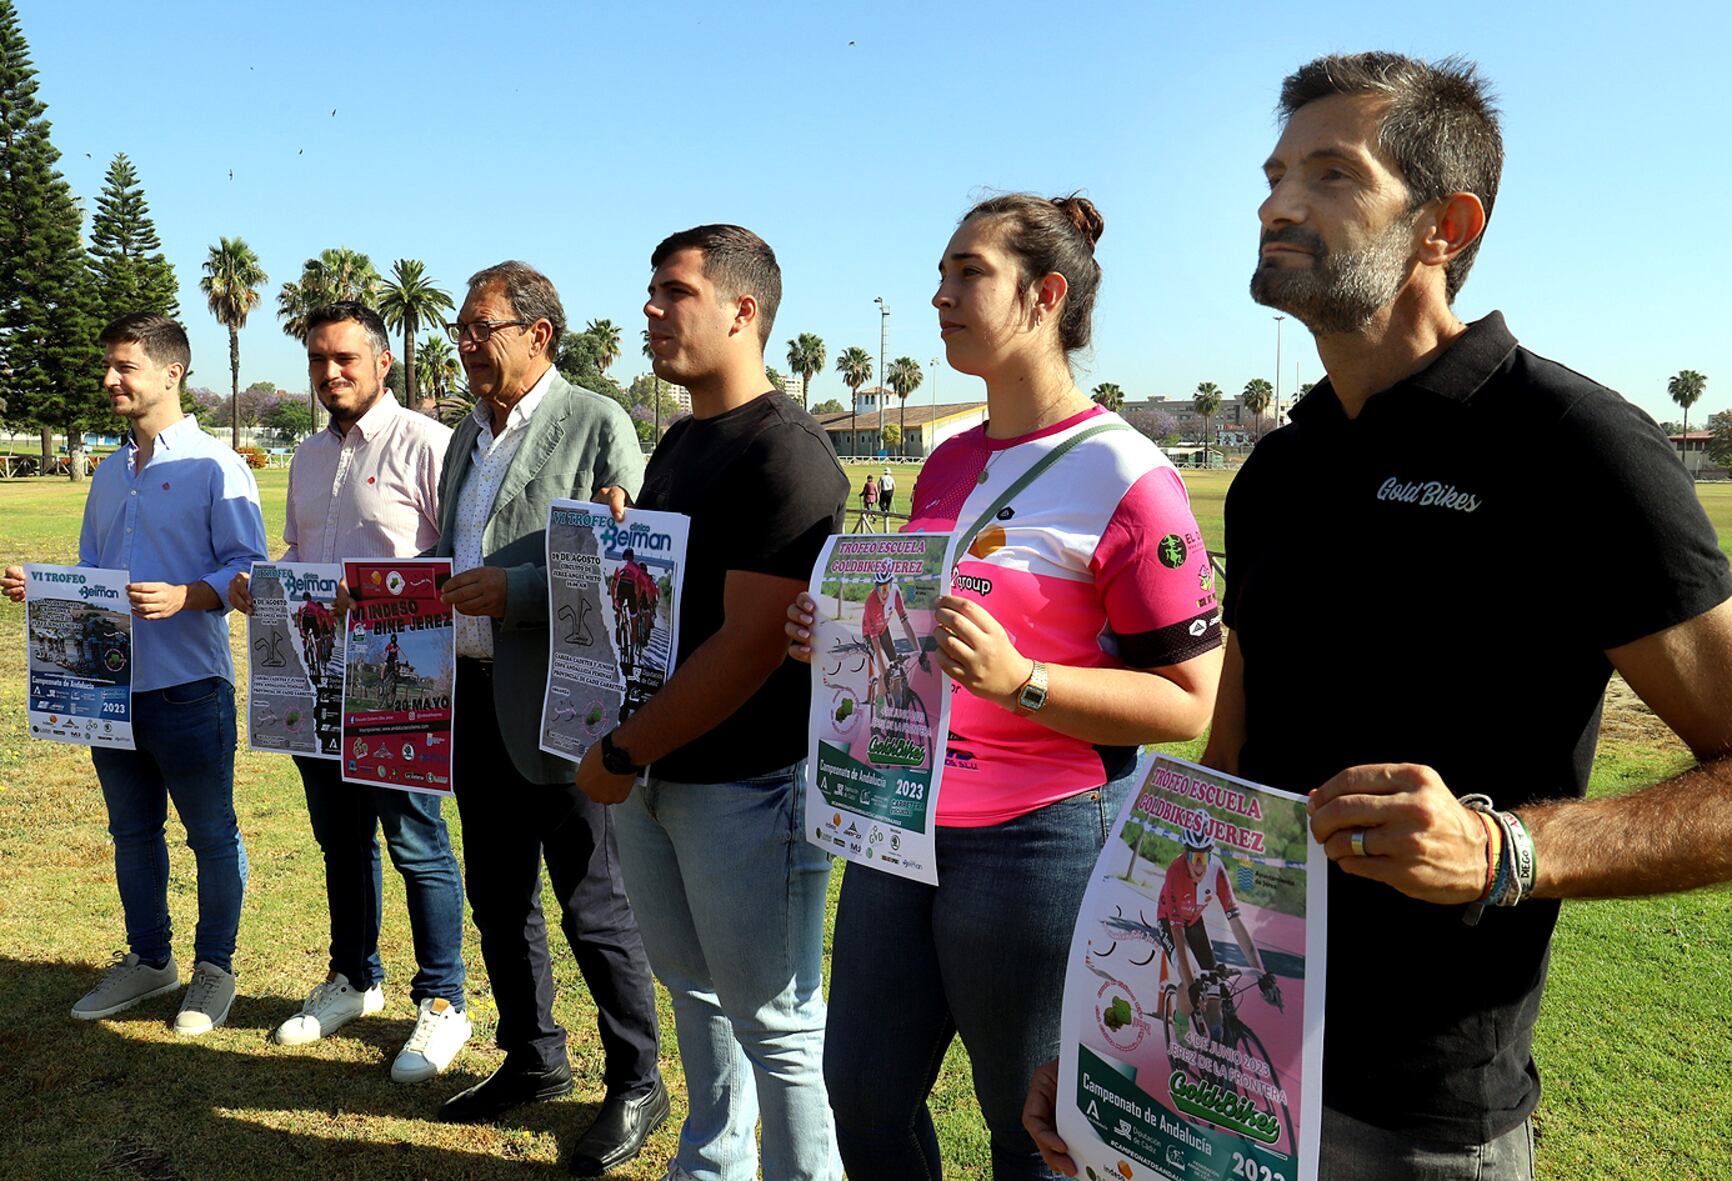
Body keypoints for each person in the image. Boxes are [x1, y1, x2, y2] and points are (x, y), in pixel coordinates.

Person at [1025, 53, 1732, 1181]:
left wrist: (1506, 847)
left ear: (1444, 223)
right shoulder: (1280, 472)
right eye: (1271, 174)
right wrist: (1123, 1027)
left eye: (1329, 173)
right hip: (1225, 1060)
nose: (1275, 202)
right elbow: (1232, 764)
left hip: (1416, 1118)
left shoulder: (1572, 446)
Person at [786, 194, 1224, 1180]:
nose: (937, 294)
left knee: (1030, 1128)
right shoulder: (945, 463)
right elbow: (916, 634)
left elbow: (1189, 701)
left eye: (966, 273)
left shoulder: (1127, 474)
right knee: (859, 1094)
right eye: (940, 273)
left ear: (1045, 294)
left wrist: (1022, 681)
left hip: (1039, 836)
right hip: (895, 822)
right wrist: (844, 637)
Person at [577, 224, 848, 1181]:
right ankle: (712, 1164)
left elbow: (750, 645)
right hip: (662, 769)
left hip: (746, 784)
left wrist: (620, 751)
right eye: (651, 291)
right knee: (693, 992)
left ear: (744, 310)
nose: (650, 309)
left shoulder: (789, 455)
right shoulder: (684, 439)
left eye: (673, 292)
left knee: (775, 1023)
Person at [429, 261, 664, 1175]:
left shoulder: (597, 422)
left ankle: (636, 1077)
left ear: (540, 334)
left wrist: (516, 594)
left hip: (568, 708)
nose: (467, 342)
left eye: (483, 326)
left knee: (593, 903)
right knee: (496, 895)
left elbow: (631, 570)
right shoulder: (464, 437)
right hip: (474, 700)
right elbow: (450, 553)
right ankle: (533, 1058)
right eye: (462, 325)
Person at [3, 313, 267, 1034]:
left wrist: (191, 595)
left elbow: (251, 570)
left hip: (189, 686)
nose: (110, 379)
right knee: (131, 832)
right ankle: (151, 960)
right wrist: (47, 585)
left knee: (211, 834)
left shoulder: (217, 464)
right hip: (105, 691)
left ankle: (215, 967)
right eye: (109, 366)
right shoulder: (111, 472)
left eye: (124, 366)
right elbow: (94, 573)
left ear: (171, 371)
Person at [227, 301, 470, 1083]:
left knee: (417, 844)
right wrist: (261, 585)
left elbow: (458, 565)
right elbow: (300, 552)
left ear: (383, 362)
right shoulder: (303, 457)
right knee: (340, 840)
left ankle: (442, 1000)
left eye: (345, 359)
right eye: (318, 360)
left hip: (401, 678)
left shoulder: (430, 445)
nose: (330, 373)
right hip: (316, 678)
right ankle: (355, 977)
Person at [1155, 824, 1279, 1043]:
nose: (1199, 866)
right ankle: (1180, 1019)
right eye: (1194, 857)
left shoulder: (1218, 871)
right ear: (1186, 854)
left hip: (1194, 921)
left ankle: (1216, 1043)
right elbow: (1177, 934)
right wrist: (1192, 985)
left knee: (1214, 985)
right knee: (1191, 979)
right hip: (1169, 923)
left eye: (1204, 858)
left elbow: (1237, 923)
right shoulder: (1175, 873)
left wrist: (1262, 972)